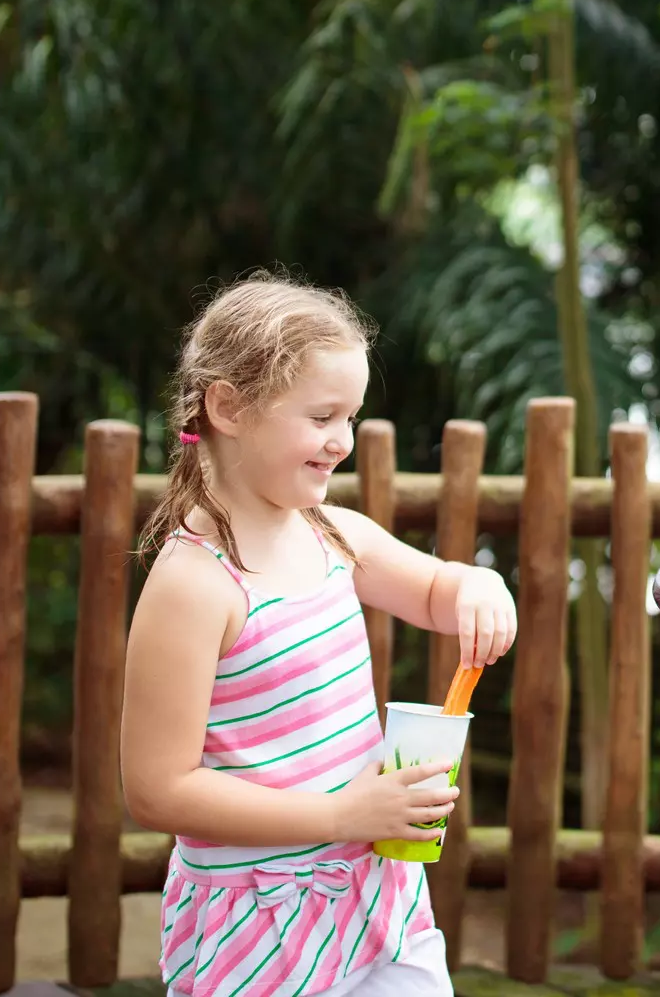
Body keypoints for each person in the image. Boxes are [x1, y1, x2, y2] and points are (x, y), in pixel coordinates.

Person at [121, 275, 516, 996]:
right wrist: (340, 814)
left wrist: (476, 586)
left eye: (351, 417)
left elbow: (434, 588)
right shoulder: (194, 585)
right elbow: (156, 789)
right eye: (322, 415)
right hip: (259, 932)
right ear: (228, 405)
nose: (342, 440)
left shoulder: (332, 535)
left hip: (377, 900)